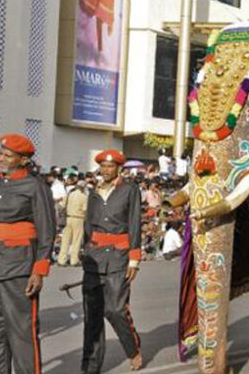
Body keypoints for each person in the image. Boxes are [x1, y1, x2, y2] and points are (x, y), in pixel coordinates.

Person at [0, 134, 56, 374]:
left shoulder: (35, 186)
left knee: (22, 331)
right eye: (1, 153)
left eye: (8, 155)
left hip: (18, 266)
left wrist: (39, 271)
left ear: (23, 159)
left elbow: (47, 230)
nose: (2, 158)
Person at [81, 149, 143, 372]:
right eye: (103, 166)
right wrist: (83, 250)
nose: (105, 170)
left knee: (115, 310)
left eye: (110, 166)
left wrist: (134, 259)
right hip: (94, 258)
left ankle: (133, 349)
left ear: (118, 168)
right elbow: (88, 225)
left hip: (119, 256)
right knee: (93, 313)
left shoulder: (129, 190)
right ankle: (90, 365)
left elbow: (135, 223)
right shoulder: (93, 192)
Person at [58, 179, 89, 267]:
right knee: (76, 240)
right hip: (78, 219)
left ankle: (61, 259)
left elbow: (62, 205)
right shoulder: (84, 197)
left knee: (65, 239)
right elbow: (85, 209)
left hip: (68, 218)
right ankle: (74, 260)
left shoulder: (69, 194)